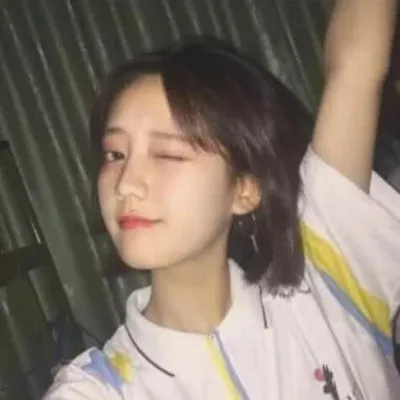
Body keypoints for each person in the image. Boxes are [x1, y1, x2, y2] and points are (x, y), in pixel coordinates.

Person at [44, 0, 400, 399]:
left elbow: (356, 65)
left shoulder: (326, 286)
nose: (126, 184)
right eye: (115, 154)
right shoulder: (96, 390)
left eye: (167, 154)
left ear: (244, 189)